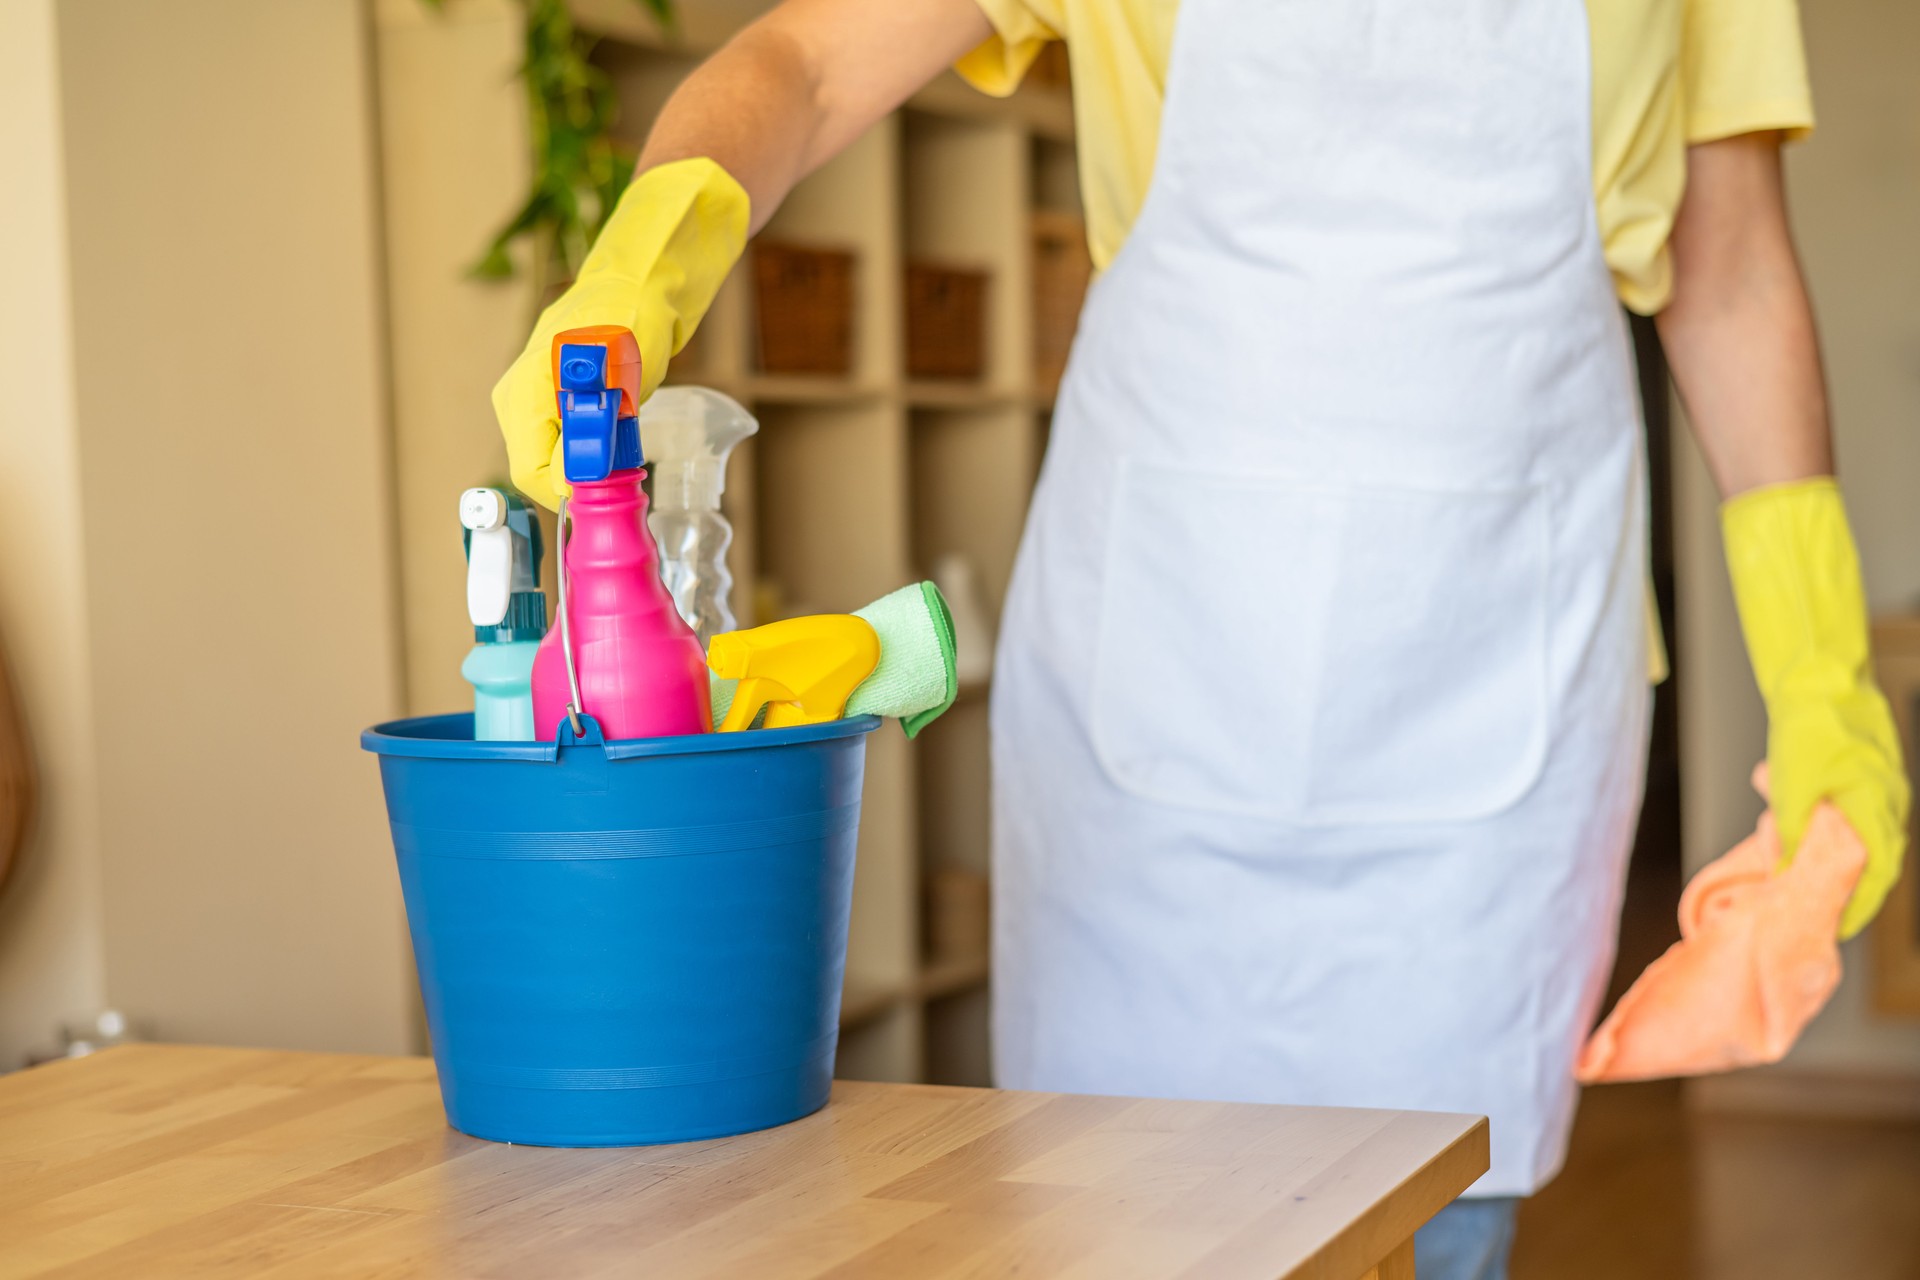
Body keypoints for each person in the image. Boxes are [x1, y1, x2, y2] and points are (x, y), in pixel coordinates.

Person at [491, 1, 1910, 1275]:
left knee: (1441, 1218)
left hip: (1498, 670)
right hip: (1161, 656)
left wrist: (1821, 678)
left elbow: (1726, 269)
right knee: (1117, 1213)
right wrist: (642, 265)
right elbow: (801, 64)